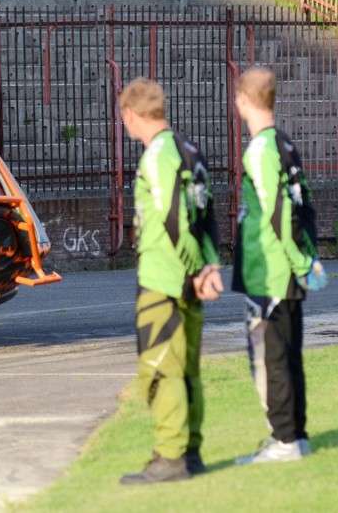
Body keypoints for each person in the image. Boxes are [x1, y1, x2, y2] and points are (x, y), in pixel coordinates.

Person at [118, 77, 223, 485]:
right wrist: (210, 265)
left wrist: (195, 271)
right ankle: (191, 452)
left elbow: (174, 217)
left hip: (164, 277)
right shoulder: (190, 151)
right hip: (188, 275)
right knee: (188, 367)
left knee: (161, 367)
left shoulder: (157, 155)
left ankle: (170, 457)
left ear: (131, 113)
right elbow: (209, 215)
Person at [231, 66, 327, 465]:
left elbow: (277, 213)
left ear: (244, 101)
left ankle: (284, 440)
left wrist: (300, 260)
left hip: (269, 269)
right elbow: (305, 206)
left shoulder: (260, 149)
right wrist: (309, 257)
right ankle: (296, 436)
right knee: (289, 353)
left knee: (272, 357)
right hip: (283, 268)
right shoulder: (285, 144)